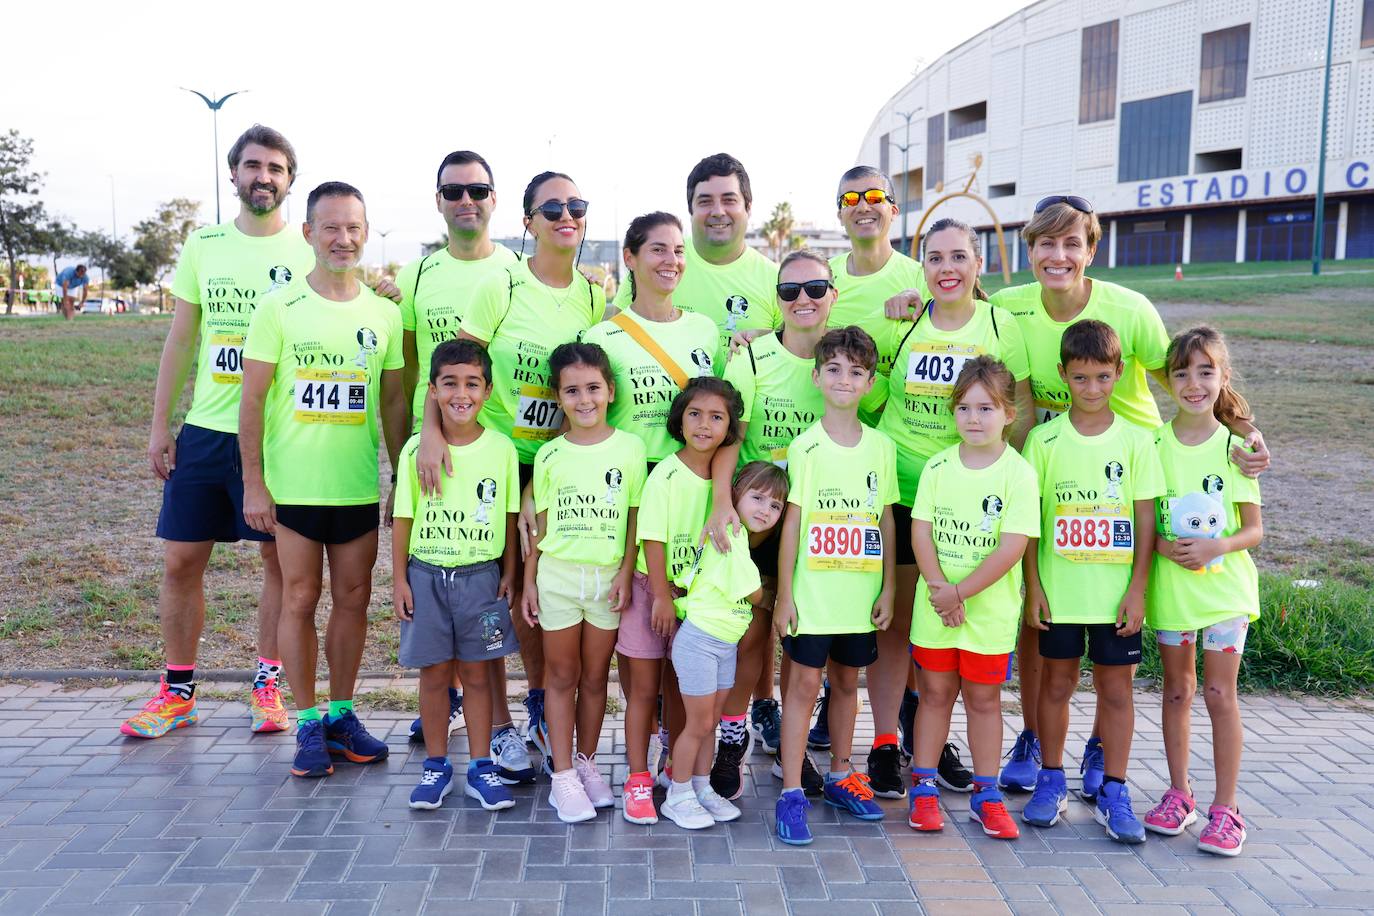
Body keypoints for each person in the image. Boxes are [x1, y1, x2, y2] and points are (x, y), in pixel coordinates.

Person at [889, 194, 1267, 796]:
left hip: (1126, 481)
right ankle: (1039, 741)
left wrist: (1243, 429)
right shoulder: (1011, 309)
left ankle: (1098, 752)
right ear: (1028, 251)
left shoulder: (1131, 309)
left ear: (1092, 250)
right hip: (1054, 476)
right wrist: (913, 302)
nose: (1057, 255)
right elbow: (958, 302)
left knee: (1113, 632)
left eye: (1072, 244)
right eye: (1045, 243)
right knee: (1041, 631)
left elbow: (1190, 380)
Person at [125, 125, 314, 740]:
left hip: (278, 434)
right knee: (181, 559)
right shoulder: (203, 245)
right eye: (253, 165)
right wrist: (161, 424)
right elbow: (182, 338)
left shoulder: (308, 250)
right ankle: (177, 690)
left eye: (276, 167)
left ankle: (267, 683)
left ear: (290, 180)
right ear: (233, 174)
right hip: (206, 429)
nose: (264, 176)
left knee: (277, 562)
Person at [419, 170, 607, 764]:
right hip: (497, 459)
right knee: (492, 589)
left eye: (575, 205)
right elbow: (454, 367)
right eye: (551, 208)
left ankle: (539, 708)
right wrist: (429, 433)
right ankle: (504, 722)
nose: (565, 216)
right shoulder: (500, 286)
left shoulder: (596, 295)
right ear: (527, 221)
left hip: (561, 463)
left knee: (542, 587)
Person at [238, 181, 408, 778]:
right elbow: (252, 401)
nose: (343, 238)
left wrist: (399, 482)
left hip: (357, 487)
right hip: (295, 490)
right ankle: (306, 722)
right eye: (330, 227)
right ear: (308, 234)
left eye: (354, 228)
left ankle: (341, 713)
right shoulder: (278, 309)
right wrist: (254, 484)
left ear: (365, 233)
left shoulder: (385, 314)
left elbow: (392, 407)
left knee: (355, 600)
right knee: (300, 598)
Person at [863, 218, 1034, 799]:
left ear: (977, 265)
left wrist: (1001, 480)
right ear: (922, 266)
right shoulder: (905, 320)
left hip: (972, 500)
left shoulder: (999, 326)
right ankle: (888, 741)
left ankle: (933, 744)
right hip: (907, 486)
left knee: (954, 629)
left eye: (959, 256)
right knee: (896, 624)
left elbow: (1022, 407)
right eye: (934, 258)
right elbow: (862, 377)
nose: (946, 269)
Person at [393, 150, 525, 765]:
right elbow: (422, 370)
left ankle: (502, 723)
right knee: (447, 594)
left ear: (494, 198)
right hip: (443, 457)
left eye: (477, 190)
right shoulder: (421, 275)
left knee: (493, 609)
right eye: (453, 191)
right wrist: (429, 436)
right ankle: (456, 723)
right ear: (439, 200)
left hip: (510, 454)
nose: (466, 200)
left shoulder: (518, 270)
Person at [1021, 319, 1163, 843]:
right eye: (1080, 378)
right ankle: (1051, 779)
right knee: (1056, 685)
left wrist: (1136, 589)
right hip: (1060, 593)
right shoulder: (1044, 439)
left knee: (1116, 692)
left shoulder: (1136, 442)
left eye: (1103, 377)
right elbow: (1030, 523)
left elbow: (1145, 521)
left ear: (1119, 374)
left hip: (1114, 597)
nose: (1092, 388)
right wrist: (1033, 586)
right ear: (1062, 375)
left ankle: (1114, 790)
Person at [714, 250, 837, 799]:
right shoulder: (754, 357)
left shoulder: (846, 358)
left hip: (823, 521)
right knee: (754, 633)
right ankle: (732, 738)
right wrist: (722, 502)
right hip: (762, 520)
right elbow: (731, 438)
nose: (802, 299)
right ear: (777, 301)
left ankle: (793, 750)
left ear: (833, 292)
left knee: (806, 644)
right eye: (789, 291)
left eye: (814, 287)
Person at [772, 326, 898, 846]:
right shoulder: (804, 447)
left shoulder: (881, 447)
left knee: (848, 685)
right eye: (835, 369)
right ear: (817, 376)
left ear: (870, 382)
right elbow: (792, 526)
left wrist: (889, 586)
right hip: (813, 596)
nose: (844, 379)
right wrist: (785, 594)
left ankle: (844, 772)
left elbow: (885, 520)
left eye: (856, 371)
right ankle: (792, 792)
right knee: (802, 687)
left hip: (859, 595)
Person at [906, 357, 1038, 841]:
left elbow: (1012, 547)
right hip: (936, 609)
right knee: (934, 696)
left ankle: (986, 794)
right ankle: (922, 787)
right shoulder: (938, 466)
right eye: (963, 407)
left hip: (988, 614)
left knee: (984, 701)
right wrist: (942, 590)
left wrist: (959, 592)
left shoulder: (1017, 473)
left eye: (986, 407)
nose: (974, 418)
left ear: (1009, 413)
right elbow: (921, 534)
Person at [1143, 326, 1262, 857]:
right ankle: (1179, 793)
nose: (1194, 383)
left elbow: (1254, 529)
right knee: (1176, 690)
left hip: (1224, 594)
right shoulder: (1153, 447)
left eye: (1206, 372)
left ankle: (1227, 808)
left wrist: (1218, 548)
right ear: (1168, 382)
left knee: (1219, 695)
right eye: (1182, 373)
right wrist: (1166, 550)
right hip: (1173, 594)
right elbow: (1149, 522)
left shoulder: (1237, 447)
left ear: (1223, 377)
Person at [393, 339, 523, 810]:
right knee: (433, 675)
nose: (461, 393)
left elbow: (509, 515)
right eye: (449, 383)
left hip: (480, 579)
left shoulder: (501, 449)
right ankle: (435, 766)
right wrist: (399, 579)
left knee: (479, 675)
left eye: (472, 383)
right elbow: (402, 517)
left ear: (487, 390)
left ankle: (482, 768)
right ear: (432, 389)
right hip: (426, 575)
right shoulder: (416, 451)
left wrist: (509, 571)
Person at [522, 343, 646, 823]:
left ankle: (587, 763)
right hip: (557, 578)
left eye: (593, 388)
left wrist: (624, 570)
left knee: (596, 678)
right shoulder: (550, 455)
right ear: (559, 397)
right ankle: (561, 777)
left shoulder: (631, 448)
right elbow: (541, 526)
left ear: (610, 391)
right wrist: (531, 579)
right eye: (572, 391)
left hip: (606, 582)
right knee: (562, 676)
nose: (585, 399)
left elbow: (635, 517)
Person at [618, 378, 741, 824]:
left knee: (688, 697)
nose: (704, 425)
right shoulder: (667, 473)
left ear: (729, 427)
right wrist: (661, 597)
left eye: (716, 417)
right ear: (679, 419)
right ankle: (637, 780)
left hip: (700, 605)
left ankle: (682, 777)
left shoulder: (729, 478)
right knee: (645, 691)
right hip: (656, 593)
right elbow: (652, 537)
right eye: (695, 414)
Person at [664, 460, 786, 830]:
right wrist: (770, 595)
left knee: (708, 722)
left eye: (776, 505)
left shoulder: (737, 536)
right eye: (757, 498)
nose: (765, 509)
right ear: (734, 494)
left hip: (722, 643)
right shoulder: (730, 536)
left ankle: (701, 787)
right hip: (702, 642)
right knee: (698, 723)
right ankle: (678, 793)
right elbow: (753, 591)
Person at [583, 212, 722, 463]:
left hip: (691, 482)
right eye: (658, 250)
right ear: (629, 258)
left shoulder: (706, 330)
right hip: (627, 480)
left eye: (679, 251)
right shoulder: (601, 338)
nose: (672, 260)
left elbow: (721, 410)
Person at [614, 153, 778, 351]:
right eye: (705, 201)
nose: (718, 211)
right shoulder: (659, 265)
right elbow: (616, 342)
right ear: (690, 209)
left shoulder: (777, 281)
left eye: (729, 200)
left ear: (748, 207)